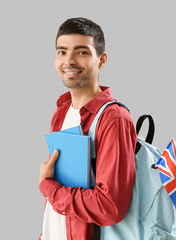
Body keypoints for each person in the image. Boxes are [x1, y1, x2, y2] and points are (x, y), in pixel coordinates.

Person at [39, 17, 137, 240]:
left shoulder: (114, 119)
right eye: (62, 52)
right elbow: (56, 207)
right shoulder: (60, 113)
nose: (69, 61)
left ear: (101, 60)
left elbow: (110, 206)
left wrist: (48, 186)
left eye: (81, 52)